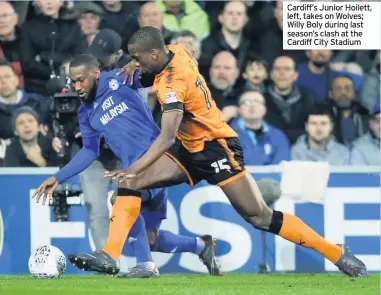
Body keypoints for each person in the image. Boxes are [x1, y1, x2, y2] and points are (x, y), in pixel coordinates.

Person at [59, 27, 368, 278]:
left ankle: (337, 253)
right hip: (188, 149)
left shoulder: (170, 84)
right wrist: (133, 65)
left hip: (216, 146)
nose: (136, 66)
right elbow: (183, 53)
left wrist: (135, 165)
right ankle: (110, 257)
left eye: (138, 60)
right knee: (129, 183)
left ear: (154, 54)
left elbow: (166, 138)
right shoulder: (178, 52)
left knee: (259, 217)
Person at [33, 54, 220, 278]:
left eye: (81, 79)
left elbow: (157, 74)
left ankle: (144, 266)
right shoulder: (85, 112)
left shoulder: (120, 78)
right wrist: (58, 177)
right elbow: (90, 151)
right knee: (149, 239)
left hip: (157, 159)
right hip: (134, 169)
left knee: (119, 197)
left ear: (96, 73)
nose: (77, 86)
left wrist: (140, 64)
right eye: (73, 81)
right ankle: (201, 246)